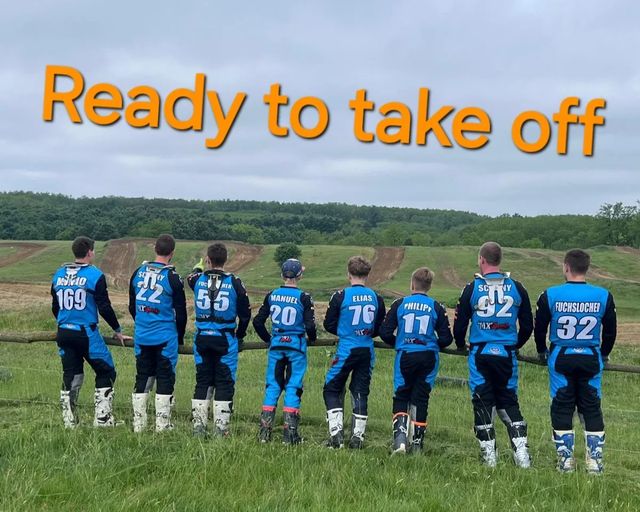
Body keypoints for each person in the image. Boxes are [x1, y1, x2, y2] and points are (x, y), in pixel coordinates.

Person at [534, 249, 616, 474]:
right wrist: (604, 354)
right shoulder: (603, 295)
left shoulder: (550, 294)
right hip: (590, 355)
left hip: (561, 355)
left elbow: (539, 329)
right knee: (591, 408)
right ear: (587, 268)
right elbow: (610, 332)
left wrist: (541, 351)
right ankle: (595, 462)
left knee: (562, 406)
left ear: (566, 267)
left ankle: (565, 462)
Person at [453, 242, 533, 468]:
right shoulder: (517, 287)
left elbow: (459, 324)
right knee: (508, 400)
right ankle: (522, 456)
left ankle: (489, 458)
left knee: (482, 401)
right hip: (506, 353)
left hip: (480, 351)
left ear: (481, 259)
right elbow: (528, 325)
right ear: (500, 260)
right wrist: (516, 344)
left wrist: (460, 344)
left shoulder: (472, 287)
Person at [51, 236, 125, 428]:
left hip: (63, 331)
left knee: (71, 374)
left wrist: (65, 320)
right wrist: (117, 329)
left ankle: (69, 422)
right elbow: (104, 306)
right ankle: (103, 419)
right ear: (90, 252)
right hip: (86, 332)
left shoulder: (59, 274)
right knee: (106, 370)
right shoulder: (94, 275)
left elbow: (55, 306)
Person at [380, 267, 453, 454]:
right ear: (429, 286)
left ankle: (400, 441)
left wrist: (399, 342)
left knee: (401, 394)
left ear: (412, 284)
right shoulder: (437, 306)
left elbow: (385, 332)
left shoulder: (399, 304)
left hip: (405, 355)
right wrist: (432, 343)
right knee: (421, 398)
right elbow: (446, 339)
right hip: (428, 356)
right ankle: (417, 444)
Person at [187, 243, 251, 437]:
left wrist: (198, 268)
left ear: (208, 259)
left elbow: (190, 277)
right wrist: (240, 335)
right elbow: (246, 315)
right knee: (224, 381)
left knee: (202, 381)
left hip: (202, 337)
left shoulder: (197, 279)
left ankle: (198, 428)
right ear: (226, 259)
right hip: (225, 337)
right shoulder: (235, 282)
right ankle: (221, 430)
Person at [323, 256, 386, 449]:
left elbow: (328, 324)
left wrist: (345, 332)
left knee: (332, 387)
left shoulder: (340, 295)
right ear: (368, 274)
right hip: (366, 349)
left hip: (347, 348)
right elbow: (379, 327)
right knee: (360, 391)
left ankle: (336, 436)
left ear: (348, 273)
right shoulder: (377, 297)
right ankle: (358, 437)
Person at [253, 258, 317, 445]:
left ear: (282, 275)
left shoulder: (272, 295)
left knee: (272, 386)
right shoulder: (304, 297)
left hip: (277, 344)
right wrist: (312, 339)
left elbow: (257, 321)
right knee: (293, 386)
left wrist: (268, 339)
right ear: (300, 275)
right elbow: (310, 325)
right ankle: (290, 435)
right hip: (296, 345)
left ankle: (264, 434)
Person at [128, 234, 187, 432]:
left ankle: (139, 424)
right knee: (165, 377)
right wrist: (179, 336)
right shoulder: (173, 277)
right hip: (165, 336)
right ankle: (163, 425)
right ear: (172, 253)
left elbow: (132, 306)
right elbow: (181, 314)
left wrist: (142, 322)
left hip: (142, 335)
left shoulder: (138, 272)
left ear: (155, 249)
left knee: (142, 377)